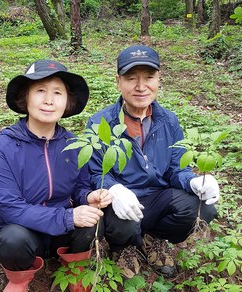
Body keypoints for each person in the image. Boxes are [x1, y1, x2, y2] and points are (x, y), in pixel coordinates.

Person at [86, 45, 219, 278]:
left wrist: (193, 182)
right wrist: (114, 189)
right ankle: (124, 246)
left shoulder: (167, 120)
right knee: (121, 220)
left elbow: (177, 168)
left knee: (202, 207)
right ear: (118, 81)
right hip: (122, 202)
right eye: (131, 78)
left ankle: (153, 239)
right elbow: (94, 173)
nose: (141, 86)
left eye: (149, 77)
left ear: (158, 80)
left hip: (157, 197)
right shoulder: (100, 123)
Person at [0, 59, 111, 291]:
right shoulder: (4, 146)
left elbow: (79, 187)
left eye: (57, 93)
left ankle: (75, 269)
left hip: (63, 233)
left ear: (67, 102)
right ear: (25, 97)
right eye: (40, 90)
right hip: (26, 232)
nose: (48, 100)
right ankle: (19, 280)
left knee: (94, 222)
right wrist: (67, 217)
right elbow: (10, 207)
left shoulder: (74, 144)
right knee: (13, 239)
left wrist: (88, 198)